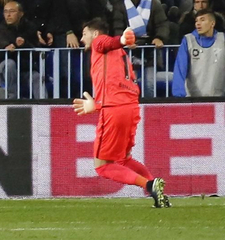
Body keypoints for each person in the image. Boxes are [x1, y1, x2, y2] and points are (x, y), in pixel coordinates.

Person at [70, 19, 173, 205]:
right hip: (131, 108)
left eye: (84, 33)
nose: (82, 38)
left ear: (94, 34)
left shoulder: (100, 43)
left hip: (115, 110)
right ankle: (157, 191)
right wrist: (98, 104)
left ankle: (149, 185)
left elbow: (107, 41)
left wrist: (122, 39)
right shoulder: (120, 55)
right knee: (123, 159)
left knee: (102, 166)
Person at [170, 10, 223, 98]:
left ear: (212, 24)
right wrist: (179, 96)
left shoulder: (223, 40)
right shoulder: (188, 40)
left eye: (202, 20)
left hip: (219, 100)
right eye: (196, 21)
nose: (198, 23)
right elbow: (180, 69)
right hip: (192, 100)